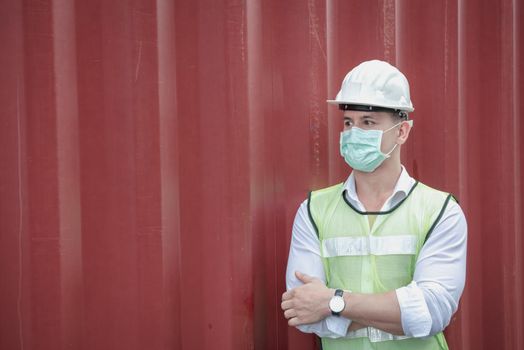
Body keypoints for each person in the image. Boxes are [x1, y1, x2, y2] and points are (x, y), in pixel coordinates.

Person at [281, 60, 467, 350]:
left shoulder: (440, 211)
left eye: (368, 123)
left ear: (402, 131)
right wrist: (398, 311)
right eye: (348, 122)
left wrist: (333, 302)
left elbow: (431, 312)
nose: (354, 132)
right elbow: (303, 312)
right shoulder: (313, 211)